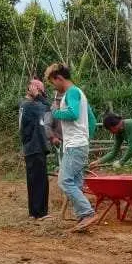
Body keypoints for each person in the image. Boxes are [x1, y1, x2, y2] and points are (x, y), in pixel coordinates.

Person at [45, 63, 98, 232]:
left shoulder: (72, 93)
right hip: (79, 144)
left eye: (53, 82)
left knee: (64, 180)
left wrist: (55, 113)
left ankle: (87, 213)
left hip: (75, 145)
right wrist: (86, 138)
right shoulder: (80, 94)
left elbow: (73, 114)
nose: (53, 86)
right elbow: (91, 120)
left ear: (59, 78)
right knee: (75, 182)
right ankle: (83, 217)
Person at [19, 78, 51, 220]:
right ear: (35, 90)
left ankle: (33, 212)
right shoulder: (32, 105)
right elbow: (48, 108)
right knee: (40, 182)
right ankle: (40, 213)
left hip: (30, 147)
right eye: (41, 92)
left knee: (33, 181)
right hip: (36, 146)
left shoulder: (24, 104)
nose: (43, 96)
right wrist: (38, 95)